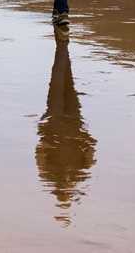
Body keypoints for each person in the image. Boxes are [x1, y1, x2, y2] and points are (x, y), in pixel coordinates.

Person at [36, 29, 96, 224]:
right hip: (70, 122)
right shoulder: (76, 175)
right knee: (64, 82)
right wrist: (86, 138)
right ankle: (63, 51)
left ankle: (62, 51)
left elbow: (40, 153)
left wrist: (45, 137)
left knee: (60, 81)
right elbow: (90, 153)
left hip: (59, 122)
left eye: (64, 195)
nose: (66, 191)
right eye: (67, 195)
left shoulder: (50, 175)